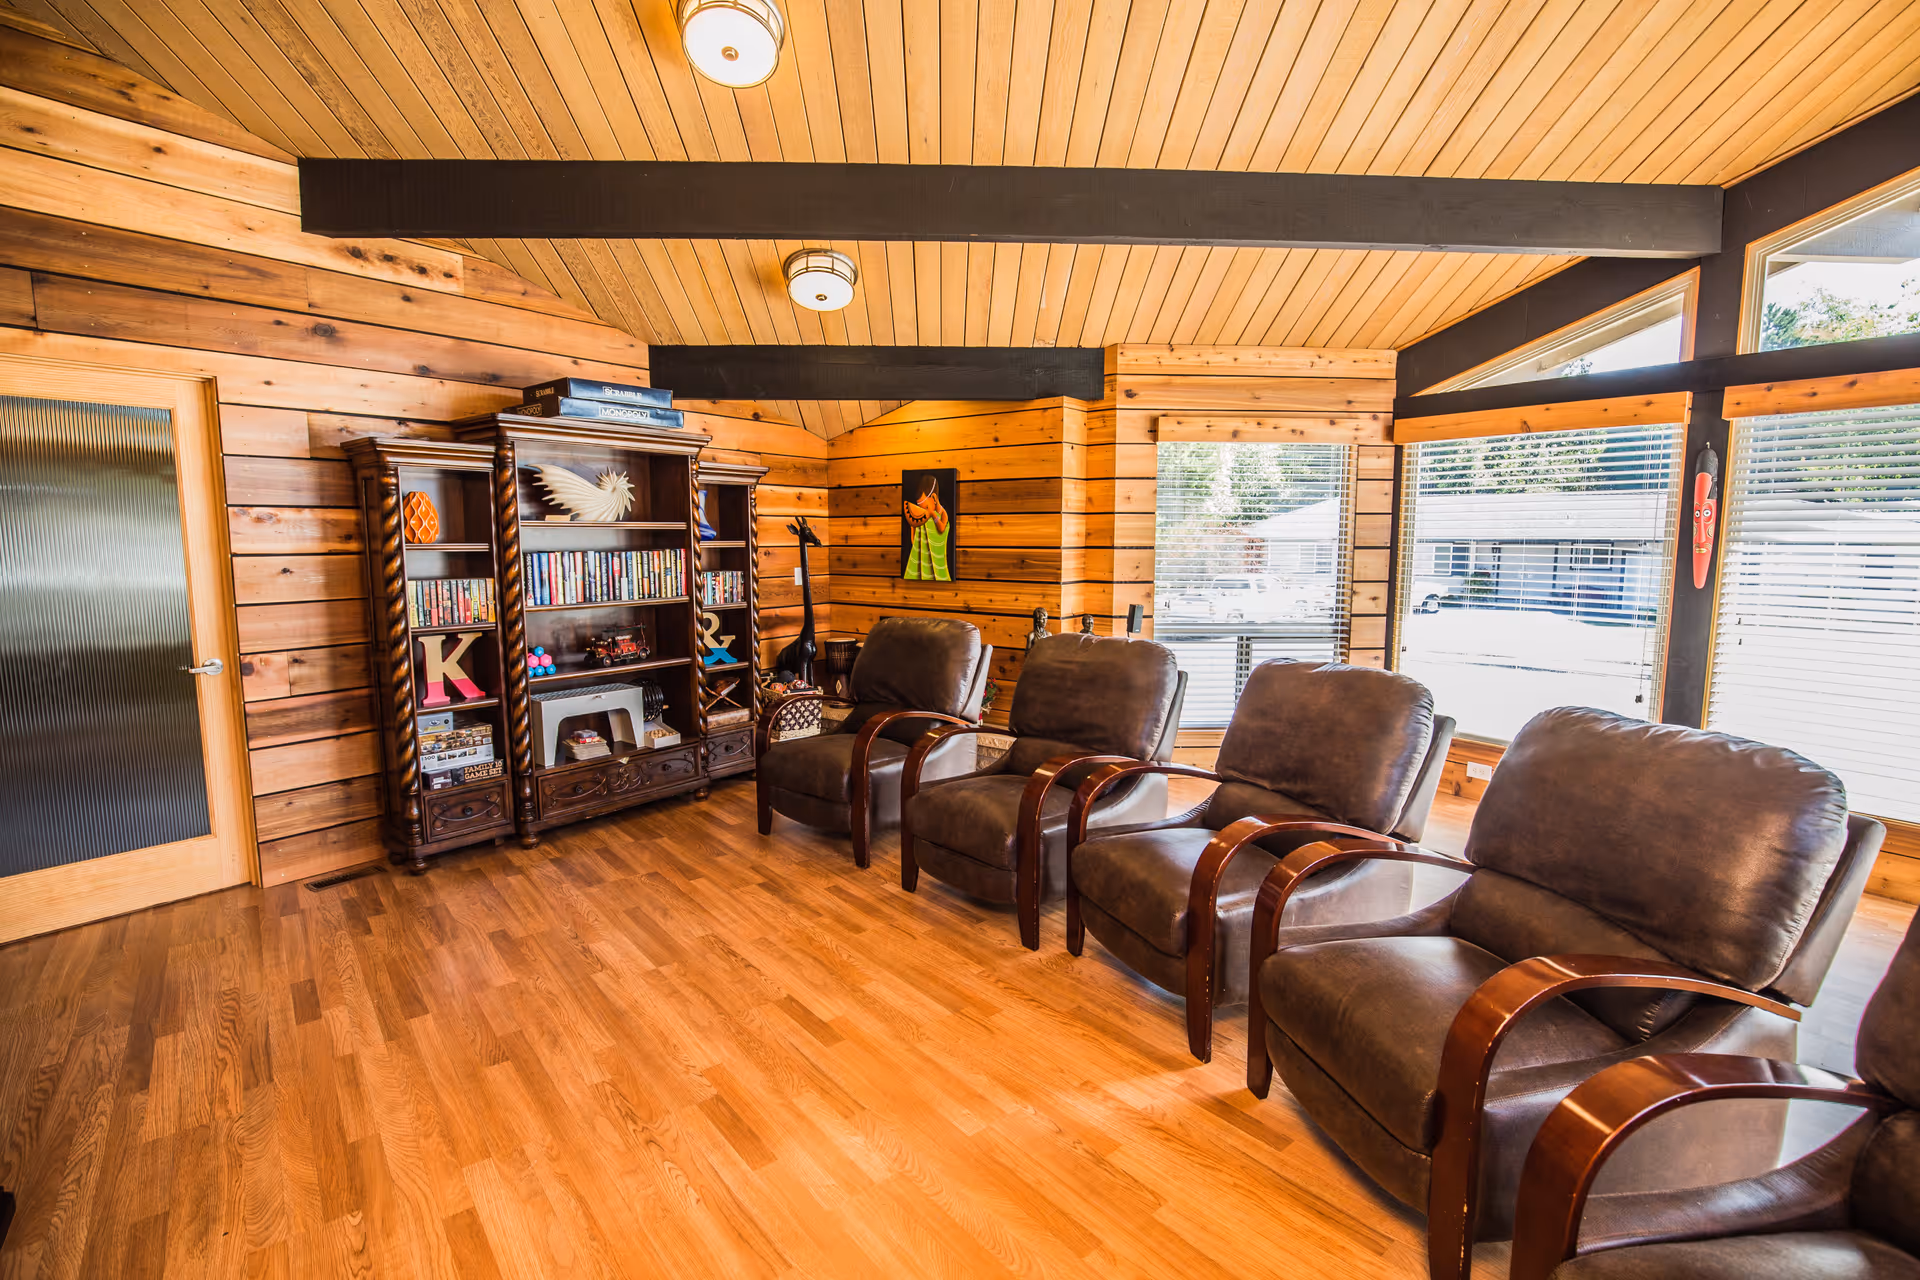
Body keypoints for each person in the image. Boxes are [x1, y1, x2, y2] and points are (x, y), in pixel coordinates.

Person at [903, 474, 951, 581]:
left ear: (933, 497)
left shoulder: (942, 514)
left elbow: (942, 528)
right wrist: (913, 526)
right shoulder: (924, 521)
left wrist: (933, 515)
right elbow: (914, 543)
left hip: (939, 568)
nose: (923, 511)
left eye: (925, 507)